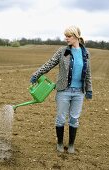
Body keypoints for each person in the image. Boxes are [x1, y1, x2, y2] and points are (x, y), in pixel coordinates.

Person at [30, 26, 92, 154]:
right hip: (63, 90)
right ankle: (59, 143)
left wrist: (89, 89)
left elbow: (88, 73)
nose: (66, 38)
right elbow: (49, 64)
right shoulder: (63, 51)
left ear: (76, 37)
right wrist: (36, 74)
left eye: (68, 36)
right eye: (66, 36)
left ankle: (71, 145)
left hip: (79, 92)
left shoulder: (85, 52)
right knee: (61, 118)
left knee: (74, 119)